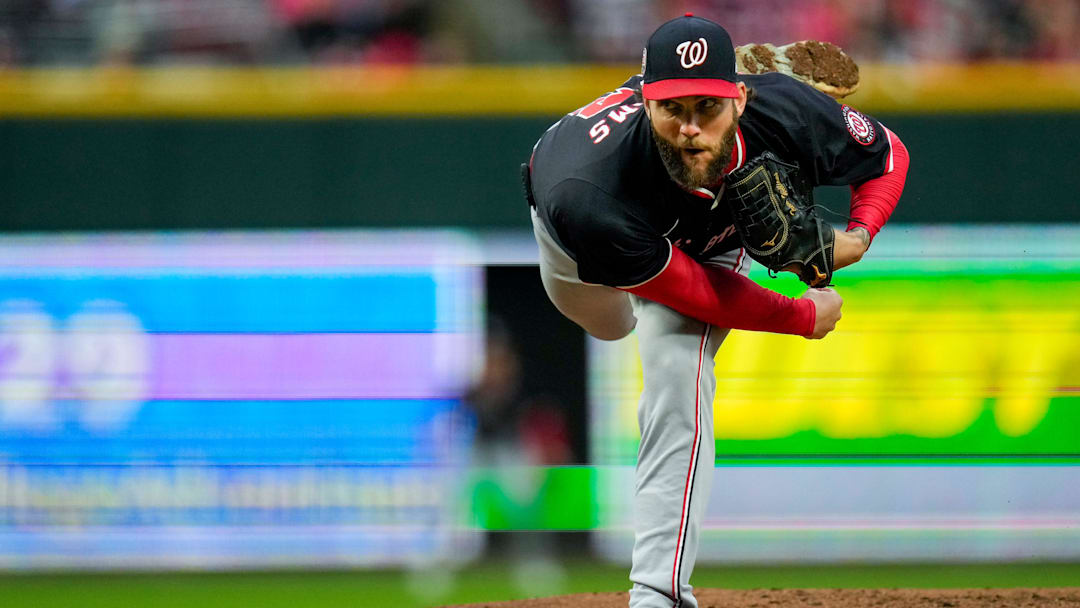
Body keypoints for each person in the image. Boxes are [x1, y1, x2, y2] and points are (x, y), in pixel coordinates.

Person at [521, 13, 909, 608]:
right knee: (614, 325)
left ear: (742, 98)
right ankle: (708, 71)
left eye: (709, 106)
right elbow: (695, 292)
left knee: (678, 375)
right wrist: (803, 316)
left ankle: (657, 592)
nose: (691, 129)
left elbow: (887, 156)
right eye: (673, 108)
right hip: (582, 249)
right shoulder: (588, 193)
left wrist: (857, 236)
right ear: (644, 102)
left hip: (712, 232)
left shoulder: (787, 112)